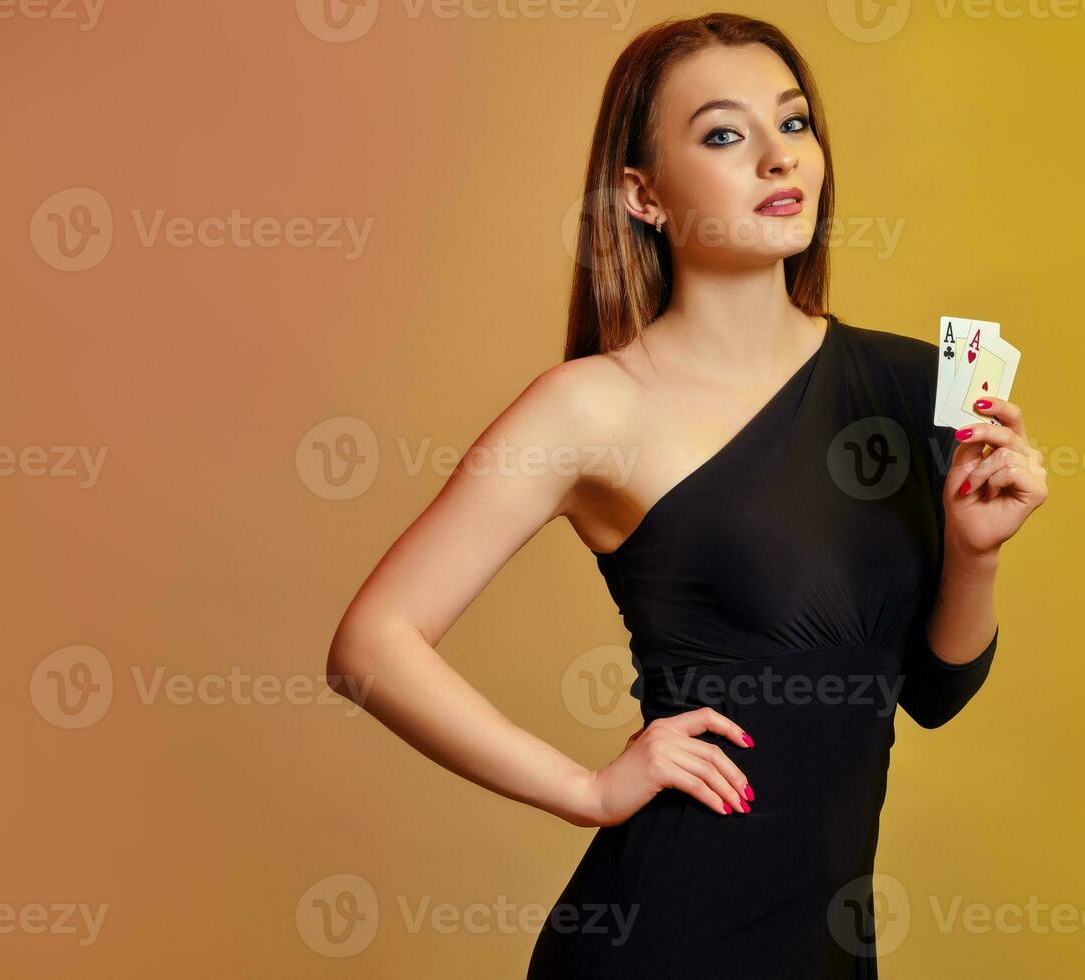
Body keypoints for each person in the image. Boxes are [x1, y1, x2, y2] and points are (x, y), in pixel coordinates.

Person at [326, 12, 1048, 978]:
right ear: (643, 194)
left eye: (793, 125)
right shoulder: (592, 407)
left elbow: (934, 691)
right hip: (660, 937)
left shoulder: (917, 386)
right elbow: (370, 646)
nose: (776, 160)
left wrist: (976, 553)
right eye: (722, 134)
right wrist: (587, 788)